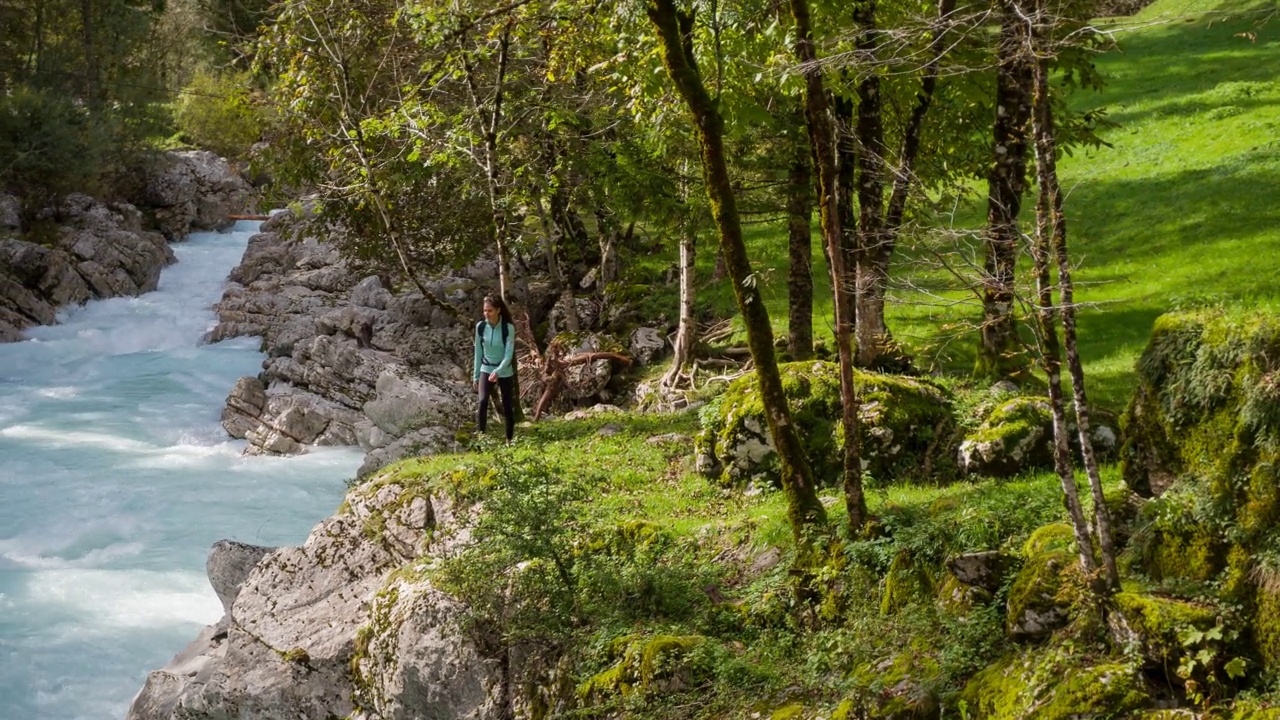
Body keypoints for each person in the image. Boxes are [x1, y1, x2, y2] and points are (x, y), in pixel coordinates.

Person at [473, 293, 516, 442]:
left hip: (503, 370)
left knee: (507, 404)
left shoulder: (508, 328)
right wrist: (476, 376)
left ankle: (509, 439)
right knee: (482, 401)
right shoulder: (480, 327)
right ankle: (481, 438)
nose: (486, 314)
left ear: (498, 310)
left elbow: (508, 354)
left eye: (490, 310)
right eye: (485, 310)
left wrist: (498, 371)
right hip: (486, 367)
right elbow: (478, 352)